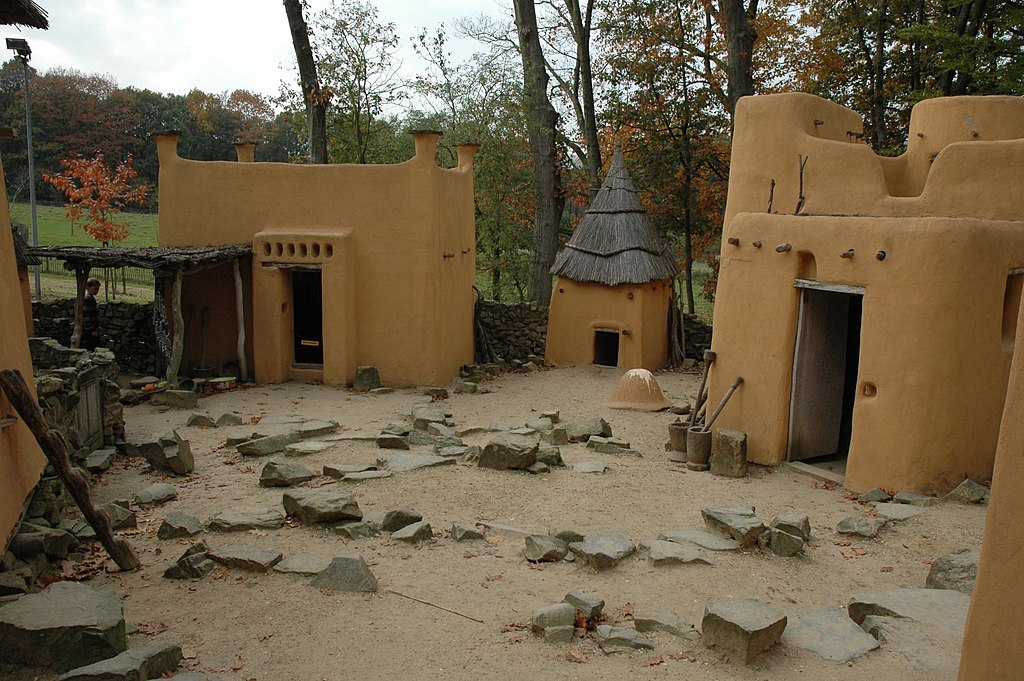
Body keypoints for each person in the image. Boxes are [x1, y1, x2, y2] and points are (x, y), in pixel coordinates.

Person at [81, 277, 101, 351]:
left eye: (98, 289)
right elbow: (86, 316)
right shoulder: (87, 299)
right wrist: (91, 329)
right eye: (95, 289)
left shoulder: (90, 297)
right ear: (88, 287)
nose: (97, 291)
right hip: (89, 330)